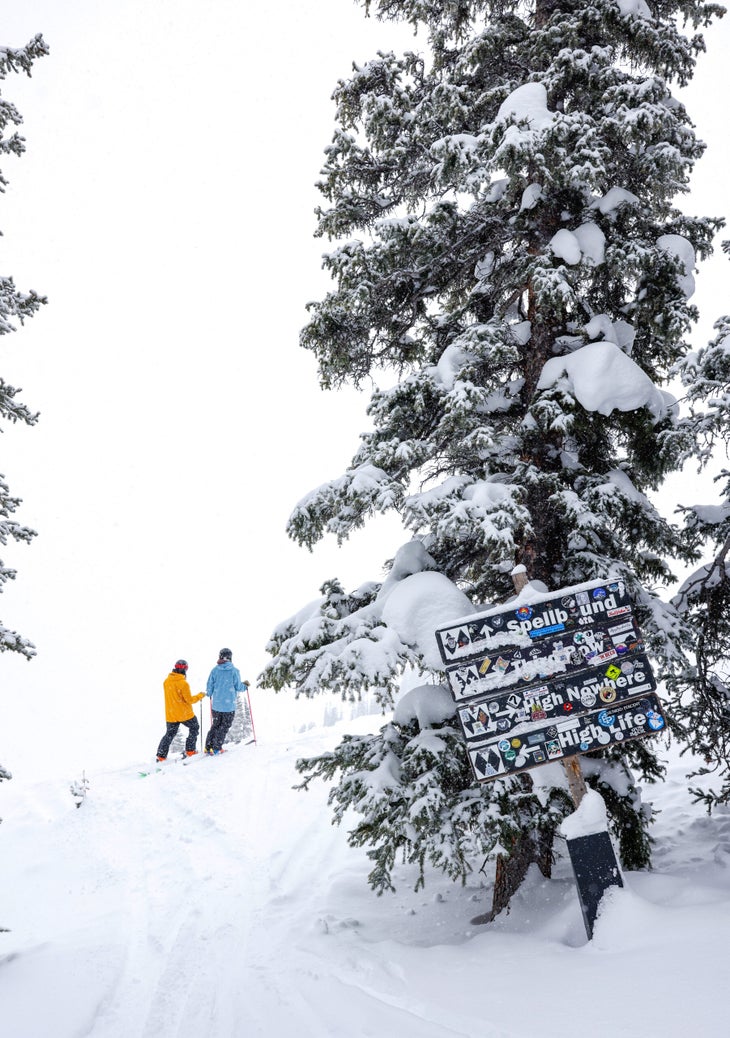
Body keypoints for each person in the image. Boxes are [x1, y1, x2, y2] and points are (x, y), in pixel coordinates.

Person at [156, 659, 206, 761]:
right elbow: (189, 700)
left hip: (171, 714)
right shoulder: (183, 683)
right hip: (184, 714)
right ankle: (190, 751)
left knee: (169, 734)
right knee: (194, 727)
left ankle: (161, 756)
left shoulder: (166, 681)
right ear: (185, 670)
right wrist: (200, 695)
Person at [205, 647, 248, 754]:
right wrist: (245, 686)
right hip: (229, 706)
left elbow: (209, 686)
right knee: (224, 727)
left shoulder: (214, 670)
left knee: (215, 725)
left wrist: (209, 693)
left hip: (216, 705)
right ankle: (216, 748)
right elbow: (238, 686)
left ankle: (208, 746)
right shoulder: (234, 671)